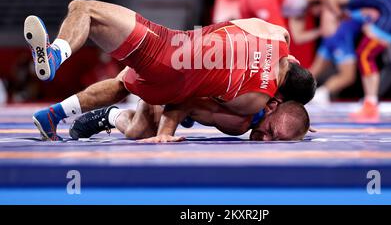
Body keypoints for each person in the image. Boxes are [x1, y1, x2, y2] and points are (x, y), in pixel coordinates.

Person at [24, 0, 316, 141]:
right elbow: (189, 98)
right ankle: (52, 116)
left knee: (82, 8)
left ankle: (55, 56)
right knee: (130, 98)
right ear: (278, 99)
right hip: (170, 79)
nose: (267, 137)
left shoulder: (275, 35)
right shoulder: (252, 103)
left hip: (167, 49)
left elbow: (190, 99)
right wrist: (168, 131)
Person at [66, 89, 311, 142]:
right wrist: (164, 135)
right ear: (271, 107)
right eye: (271, 133)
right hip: (172, 87)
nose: (267, 141)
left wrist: (298, 125)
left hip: (191, 98)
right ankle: (110, 115)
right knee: (137, 132)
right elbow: (183, 99)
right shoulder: (243, 112)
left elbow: (287, 111)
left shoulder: (273, 106)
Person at [309, 18, 363, 105]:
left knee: (313, 72)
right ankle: (320, 94)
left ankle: (294, 93)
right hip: (341, 40)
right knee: (348, 76)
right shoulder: (358, 6)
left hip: (331, 38)